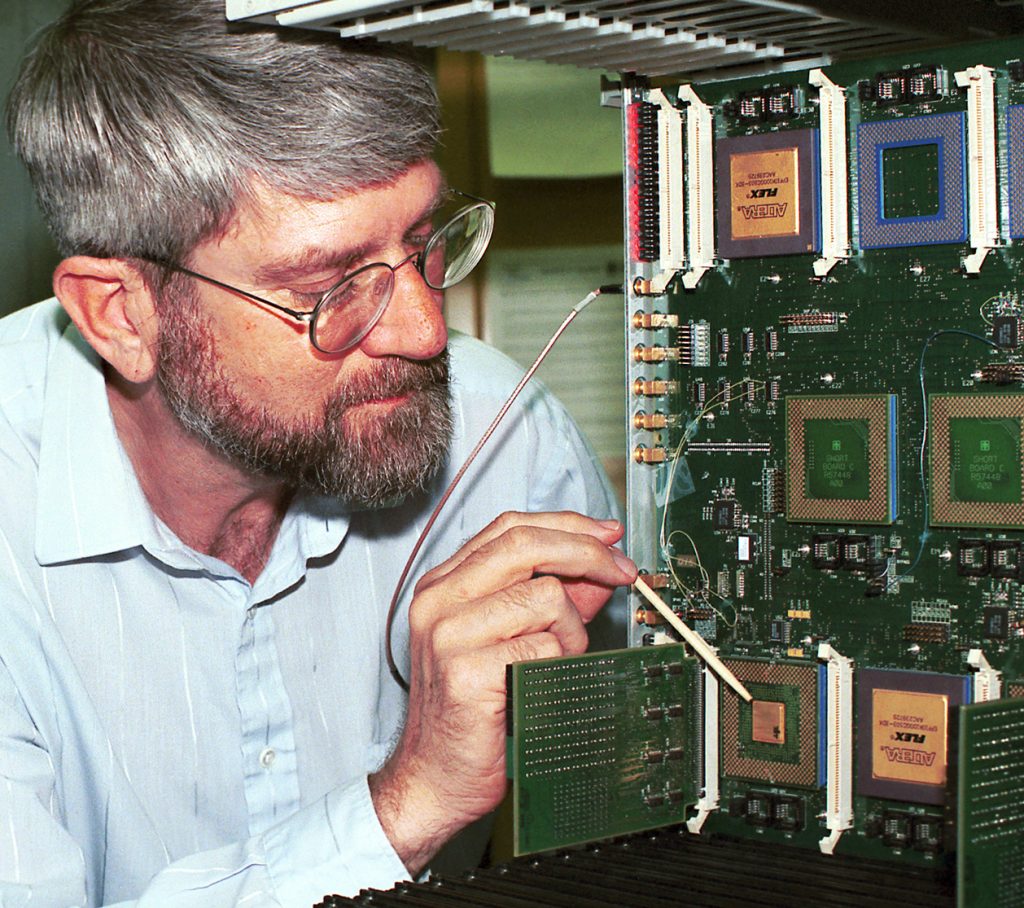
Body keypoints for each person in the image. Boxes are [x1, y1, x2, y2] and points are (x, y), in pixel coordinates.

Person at [0, 1, 635, 905]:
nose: (423, 331)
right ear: (122, 314)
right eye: (328, 288)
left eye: (421, 245)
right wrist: (407, 804)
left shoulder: (504, 436)